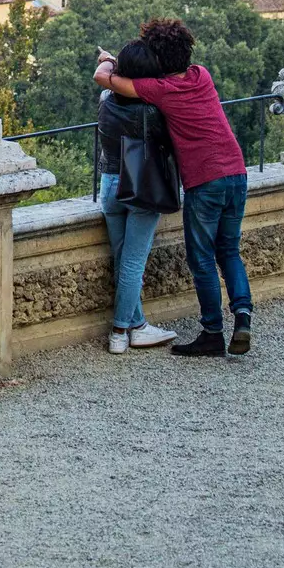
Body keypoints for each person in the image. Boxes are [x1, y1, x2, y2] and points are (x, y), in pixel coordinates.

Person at [95, 18, 253, 356]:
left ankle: (211, 332)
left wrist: (109, 60)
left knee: (201, 260)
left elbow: (105, 81)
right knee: (229, 251)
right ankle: (242, 314)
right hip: (237, 172)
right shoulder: (202, 75)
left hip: (201, 180)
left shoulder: (154, 92)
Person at [96, 37, 179, 354]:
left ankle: (138, 325)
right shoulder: (156, 108)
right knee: (133, 263)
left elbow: (106, 77)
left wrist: (111, 61)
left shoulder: (106, 99)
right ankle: (120, 332)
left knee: (122, 258)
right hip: (142, 185)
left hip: (110, 185)